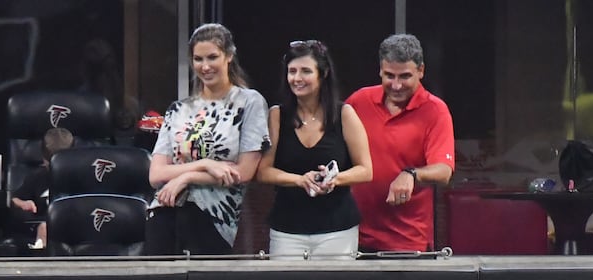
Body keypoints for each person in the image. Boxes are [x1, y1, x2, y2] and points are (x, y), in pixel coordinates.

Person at [144, 23, 269, 256]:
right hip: (165, 211)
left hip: (215, 220)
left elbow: (242, 173)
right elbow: (156, 175)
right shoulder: (178, 109)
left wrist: (187, 177)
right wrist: (205, 164)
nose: (205, 66)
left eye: (212, 57)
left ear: (229, 56)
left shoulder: (249, 102)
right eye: (198, 59)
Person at [258, 40, 372, 258]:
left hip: (337, 228)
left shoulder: (344, 114)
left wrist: (335, 179)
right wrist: (299, 180)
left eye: (305, 71)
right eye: (292, 71)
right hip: (287, 229)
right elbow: (263, 171)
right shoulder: (276, 116)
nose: (297, 78)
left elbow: (366, 170)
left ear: (324, 73)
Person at [347, 33, 455, 252]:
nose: (396, 85)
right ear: (380, 70)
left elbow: (444, 171)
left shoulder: (435, 110)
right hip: (352, 234)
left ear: (421, 71)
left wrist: (412, 174)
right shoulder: (359, 101)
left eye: (404, 76)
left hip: (407, 241)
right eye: (389, 75)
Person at [10, 127, 74, 250]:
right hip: (41, 229)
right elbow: (13, 200)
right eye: (51, 165)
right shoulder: (37, 177)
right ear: (44, 160)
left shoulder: (82, 178)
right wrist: (23, 203)